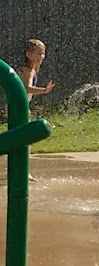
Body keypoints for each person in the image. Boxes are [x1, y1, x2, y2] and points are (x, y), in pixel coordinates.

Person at [16, 39, 55, 181]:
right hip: (18, 107)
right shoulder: (27, 70)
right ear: (28, 54)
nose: (41, 56)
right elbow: (26, 88)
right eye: (38, 53)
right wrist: (44, 90)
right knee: (25, 139)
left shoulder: (31, 69)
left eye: (43, 53)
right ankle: (23, 172)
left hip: (20, 106)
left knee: (20, 138)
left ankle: (22, 170)